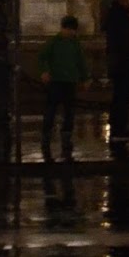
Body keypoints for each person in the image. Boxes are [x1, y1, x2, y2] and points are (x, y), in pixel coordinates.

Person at [37, 14, 89, 162]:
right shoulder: (54, 42)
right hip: (56, 80)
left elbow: (81, 61)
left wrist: (85, 78)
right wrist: (45, 71)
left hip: (69, 80)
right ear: (63, 29)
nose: (71, 33)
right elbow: (43, 57)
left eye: (73, 30)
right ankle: (47, 134)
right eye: (69, 30)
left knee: (68, 110)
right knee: (52, 109)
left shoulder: (74, 43)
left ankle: (66, 134)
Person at [103, 0, 129, 151]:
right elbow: (122, 39)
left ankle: (119, 124)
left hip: (122, 59)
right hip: (122, 60)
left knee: (122, 94)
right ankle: (119, 126)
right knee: (121, 94)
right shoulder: (119, 15)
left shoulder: (118, 14)